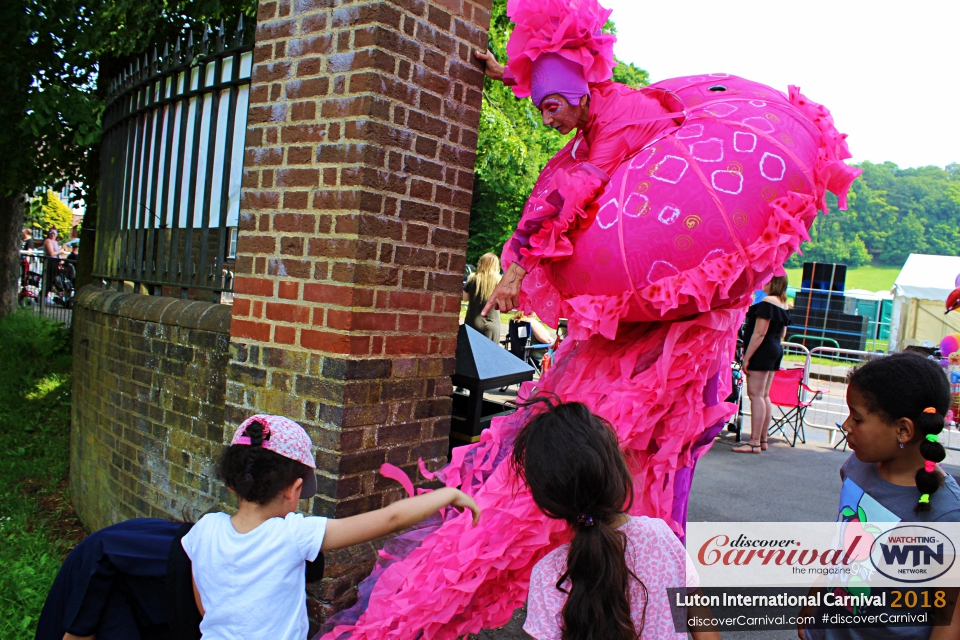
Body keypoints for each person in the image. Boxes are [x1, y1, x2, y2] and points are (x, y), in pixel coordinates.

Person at [182, 414, 480, 640]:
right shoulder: (293, 534)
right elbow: (392, 519)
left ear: (232, 484)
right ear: (294, 489)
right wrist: (449, 494)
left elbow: (204, 606)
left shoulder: (204, 529)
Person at [514, 400, 720, 640]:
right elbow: (704, 627)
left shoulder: (548, 575)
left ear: (545, 500)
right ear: (617, 468)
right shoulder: (661, 537)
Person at [800, 352, 960, 640]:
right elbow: (840, 550)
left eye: (857, 418)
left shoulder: (947, 514)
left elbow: (949, 617)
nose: (846, 425)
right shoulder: (856, 465)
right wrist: (811, 609)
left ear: (903, 430)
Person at [733, 275, 792, 453]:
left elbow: (759, 333)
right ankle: (763, 439)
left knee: (755, 395)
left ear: (773, 282)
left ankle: (753, 442)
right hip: (775, 348)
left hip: (762, 349)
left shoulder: (767, 301)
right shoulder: (785, 303)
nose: (762, 284)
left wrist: (747, 358)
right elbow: (782, 333)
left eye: (766, 280)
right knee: (765, 395)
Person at [462, 252, 502, 343]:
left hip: (473, 323)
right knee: (490, 355)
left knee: (471, 354)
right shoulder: (500, 280)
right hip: (492, 324)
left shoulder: (473, 278)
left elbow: (465, 297)